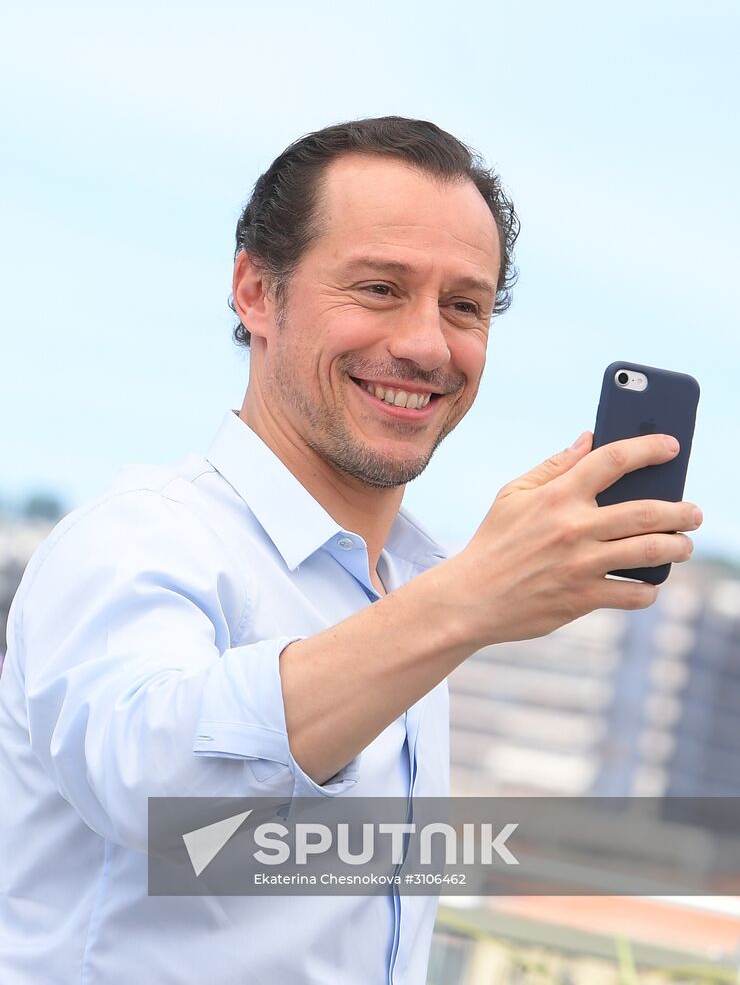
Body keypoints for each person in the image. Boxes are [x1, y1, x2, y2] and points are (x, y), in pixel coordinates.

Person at [0, 116, 702, 984]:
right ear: (257, 293)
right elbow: (155, 792)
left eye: (465, 307)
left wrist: (452, 599)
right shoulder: (139, 537)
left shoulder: (406, 586)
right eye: (378, 288)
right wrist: (468, 602)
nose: (426, 344)